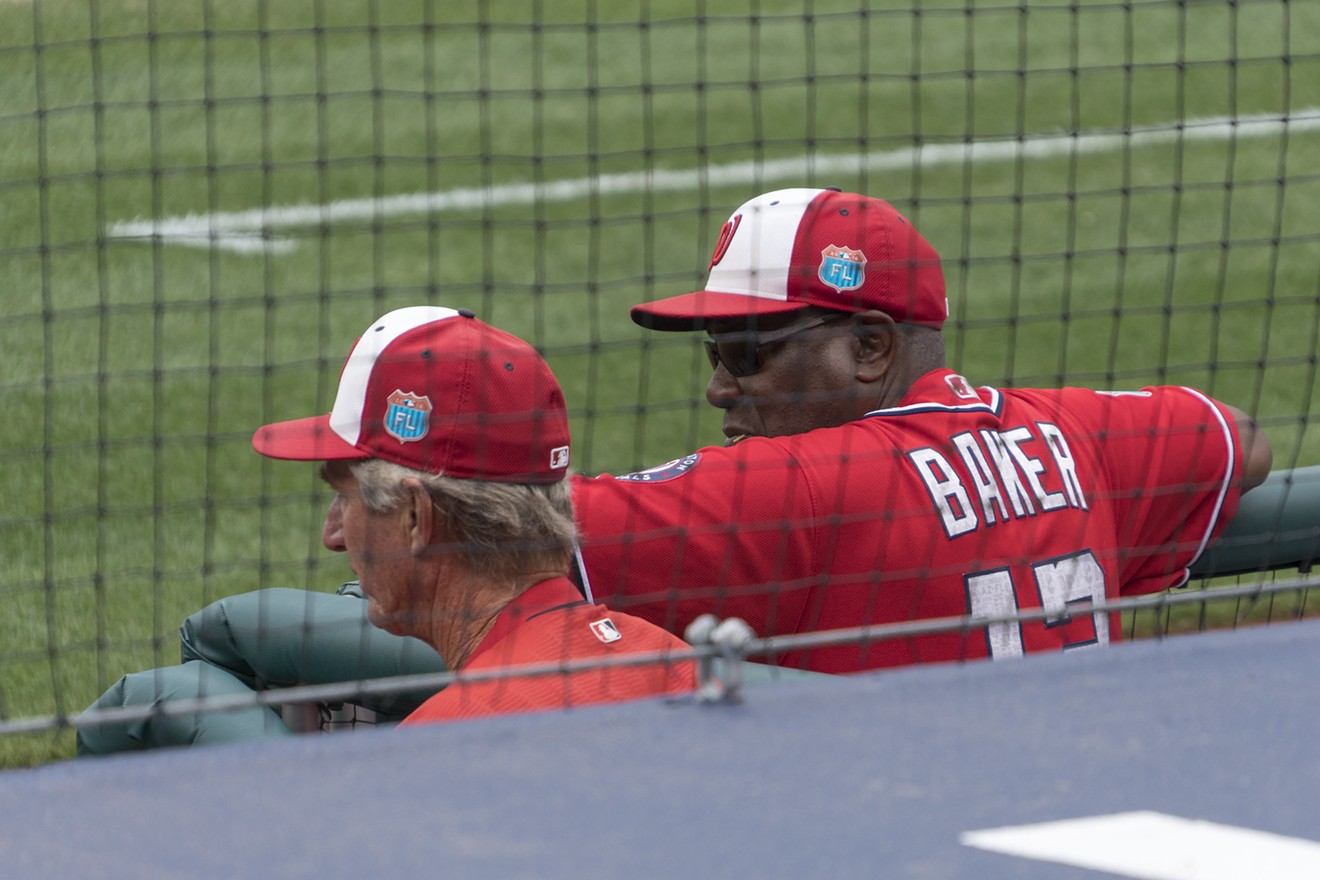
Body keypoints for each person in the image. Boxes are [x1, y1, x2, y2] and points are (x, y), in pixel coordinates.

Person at [82, 187, 1272, 748]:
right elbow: (1244, 443)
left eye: (748, 349)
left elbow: (506, 540)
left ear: (870, 346)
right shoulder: (1100, 433)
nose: (720, 385)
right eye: (714, 351)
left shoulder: (789, 489)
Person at [77, 308, 695, 753]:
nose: (334, 536)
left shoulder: (444, 747)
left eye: (343, 498)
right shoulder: (682, 664)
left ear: (414, 516)